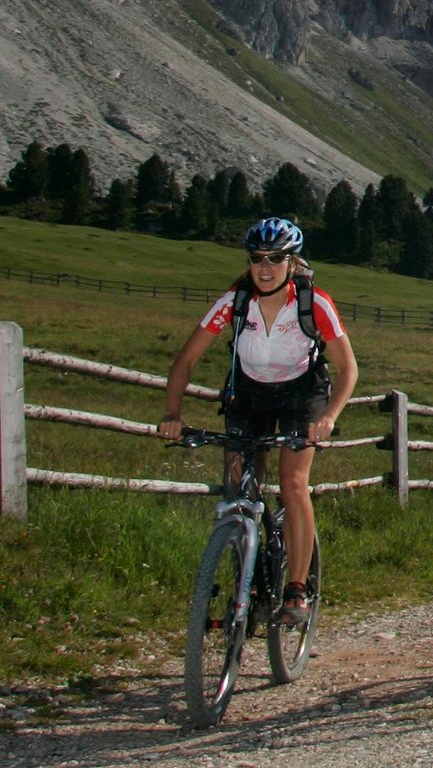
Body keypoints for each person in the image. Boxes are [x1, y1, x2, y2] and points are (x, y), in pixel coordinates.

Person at [159, 217, 358, 626]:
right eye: (257, 259)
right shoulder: (235, 301)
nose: (265, 268)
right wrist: (172, 415)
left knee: (292, 483)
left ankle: (297, 590)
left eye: (275, 259)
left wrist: (328, 417)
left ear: (292, 262)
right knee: (238, 485)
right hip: (248, 394)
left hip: (301, 395)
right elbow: (185, 360)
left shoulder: (313, 301)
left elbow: (348, 368)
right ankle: (244, 580)